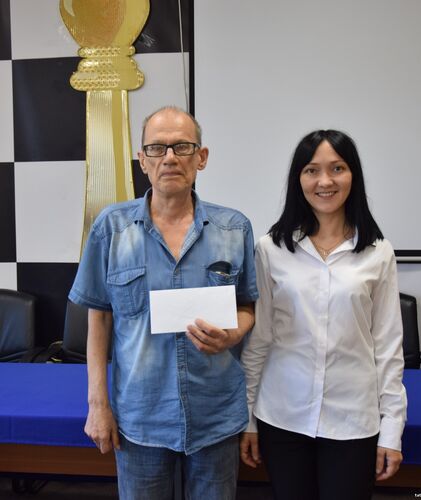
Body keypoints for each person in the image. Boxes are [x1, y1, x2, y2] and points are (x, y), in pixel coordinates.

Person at [68, 106, 258, 500]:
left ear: (201, 157)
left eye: (182, 147)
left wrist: (233, 333)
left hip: (215, 416)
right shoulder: (112, 228)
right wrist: (97, 404)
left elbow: (247, 307)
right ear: (142, 160)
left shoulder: (233, 228)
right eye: (157, 148)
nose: (169, 158)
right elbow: (98, 320)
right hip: (140, 417)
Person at [240, 130, 407, 500]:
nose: (325, 181)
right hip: (282, 416)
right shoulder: (271, 249)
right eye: (312, 170)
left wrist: (392, 429)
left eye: (337, 168)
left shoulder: (378, 252)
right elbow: (260, 339)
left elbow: (388, 347)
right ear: (298, 179)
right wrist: (248, 418)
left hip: (352, 420)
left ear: (353, 175)